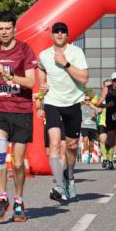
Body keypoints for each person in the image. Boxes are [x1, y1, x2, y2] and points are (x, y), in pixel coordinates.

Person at [0, 10, 37, 222]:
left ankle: (18, 200)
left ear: (14, 29)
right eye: (0, 29)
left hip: (21, 109)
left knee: (17, 164)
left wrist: (12, 76)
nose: (4, 32)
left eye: (8, 28)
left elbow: (31, 82)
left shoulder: (25, 50)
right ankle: (2, 196)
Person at [36, 21, 89, 203]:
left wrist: (65, 63)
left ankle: (70, 177)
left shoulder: (76, 52)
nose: (59, 34)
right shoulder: (44, 55)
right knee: (55, 143)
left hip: (73, 103)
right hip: (52, 103)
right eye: (56, 32)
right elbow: (41, 70)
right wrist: (41, 96)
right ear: (52, 35)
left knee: (72, 145)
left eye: (63, 32)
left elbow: (84, 78)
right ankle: (59, 185)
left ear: (67, 35)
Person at [80, 93, 102, 164]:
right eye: (86, 100)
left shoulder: (93, 107)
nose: (87, 101)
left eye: (89, 100)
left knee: (92, 143)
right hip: (84, 126)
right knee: (85, 139)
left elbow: (99, 111)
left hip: (93, 126)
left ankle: (90, 154)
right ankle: (86, 154)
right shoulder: (81, 107)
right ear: (83, 101)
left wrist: (95, 116)